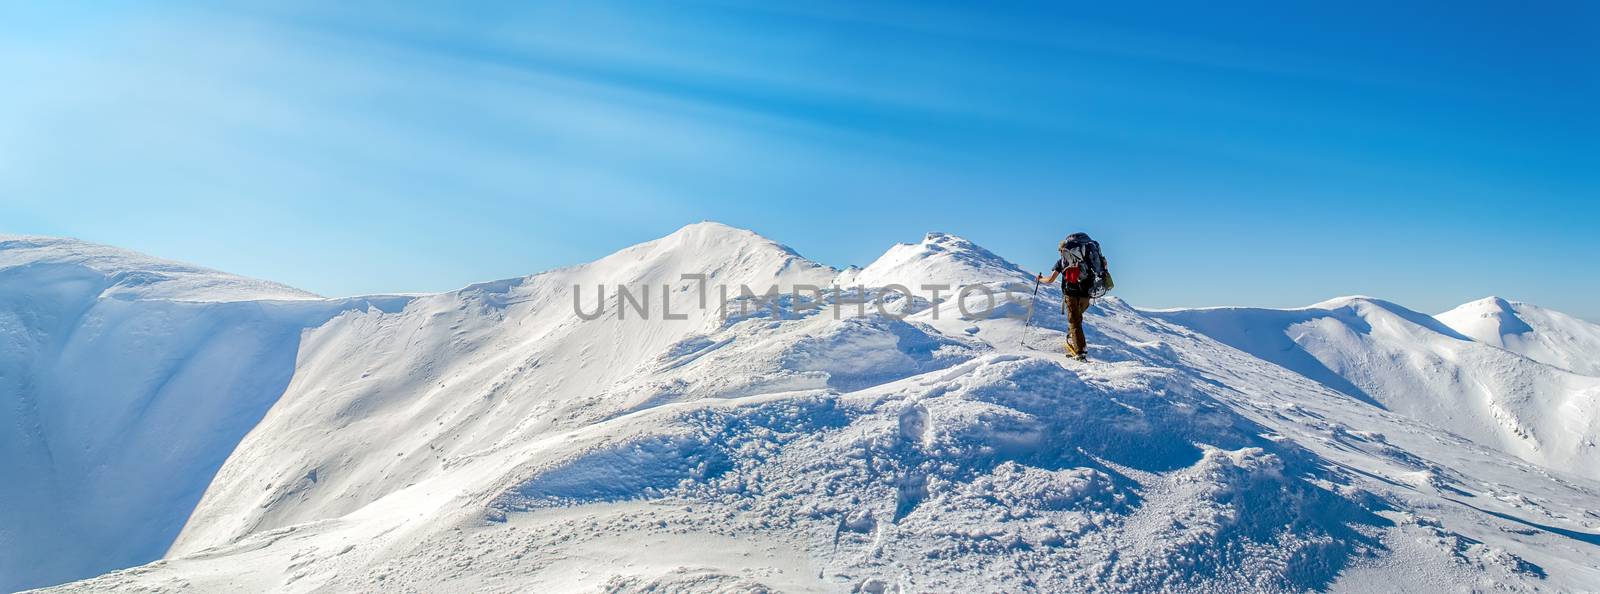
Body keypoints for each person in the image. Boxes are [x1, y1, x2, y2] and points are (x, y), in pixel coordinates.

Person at [1036, 233, 1107, 361]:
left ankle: (1080, 352)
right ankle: (1074, 343)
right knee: (1076, 320)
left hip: (1071, 294)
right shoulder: (1087, 258)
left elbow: (1050, 280)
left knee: (1074, 322)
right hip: (1087, 295)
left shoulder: (1062, 261)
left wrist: (1040, 279)